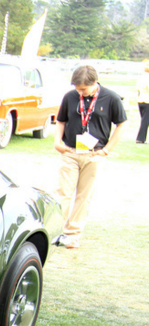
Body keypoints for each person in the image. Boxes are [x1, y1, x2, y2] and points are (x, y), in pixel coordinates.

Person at [54, 65, 127, 249]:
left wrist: (107, 150)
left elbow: (122, 124)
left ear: (94, 83)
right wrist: (57, 142)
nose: (80, 92)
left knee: (84, 196)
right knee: (63, 192)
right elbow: (61, 120)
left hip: (94, 154)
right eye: (77, 88)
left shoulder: (111, 98)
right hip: (70, 152)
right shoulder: (70, 96)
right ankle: (55, 231)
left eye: (83, 89)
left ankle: (72, 234)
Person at [137, 60, 149, 144]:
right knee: (145, 121)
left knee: (144, 120)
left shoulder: (141, 77)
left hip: (140, 100)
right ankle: (140, 138)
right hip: (147, 101)